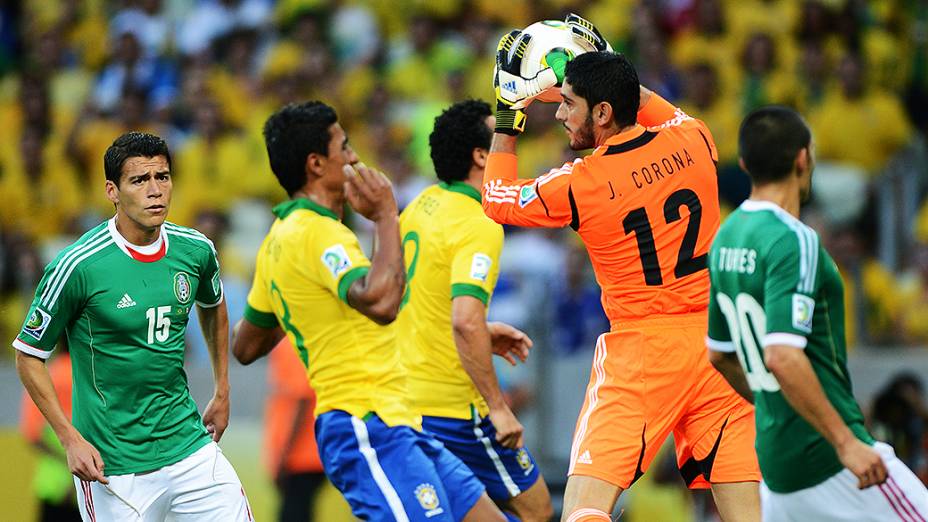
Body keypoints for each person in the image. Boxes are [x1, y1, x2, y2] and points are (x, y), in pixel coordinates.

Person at [483, 17, 760, 522]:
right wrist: (602, 59)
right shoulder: (693, 138)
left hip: (643, 351)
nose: (560, 113)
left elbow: (497, 200)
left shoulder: (580, 183)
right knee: (749, 513)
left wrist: (508, 112)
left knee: (585, 510)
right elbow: (646, 104)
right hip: (720, 344)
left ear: (604, 112)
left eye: (568, 103)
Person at [231, 101, 507, 521]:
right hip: (365, 421)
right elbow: (381, 303)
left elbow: (246, 345)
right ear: (317, 164)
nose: (355, 157)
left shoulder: (277, 242)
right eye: (345, 146)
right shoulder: (321, 235)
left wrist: (306, 308)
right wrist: (384, 217)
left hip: (401, 421)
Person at [13, 131, 251, 521]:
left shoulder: (196, 250)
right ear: (113, 190)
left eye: (163, 177)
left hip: (190, 448)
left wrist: (222, 389)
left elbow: (213, 305)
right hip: (116, 468)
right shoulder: (78, 266)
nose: (155, 190)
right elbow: (27, 355)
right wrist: (69, 438)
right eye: (140, 180)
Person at [706, 105, 928, 521]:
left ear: (744, 164)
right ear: (803, 158)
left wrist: (777, 403)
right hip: (830, 458)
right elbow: (782, 355)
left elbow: (719, 355)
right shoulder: (795, 239)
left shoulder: (725, 239)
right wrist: (845, 442)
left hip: (777, 466)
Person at [397, 99, 553, 521]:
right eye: (500, 140)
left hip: (407, 400)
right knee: (537, 509)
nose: (510, 150)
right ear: (482, 156)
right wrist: (499, 407)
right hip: (455, 407)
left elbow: (415, 299)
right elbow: (462, 319)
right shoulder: (479, 221)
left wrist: (483, 327)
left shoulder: (419, 205)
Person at [263, 337, 327, 521]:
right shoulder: (294, 340)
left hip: (302, 457)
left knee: (292, 514)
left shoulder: (293, 342)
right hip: (306, 454)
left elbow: (302, 397)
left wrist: (284, 454)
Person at [20, 344, 81, 522]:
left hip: (52, 484)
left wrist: (65, 462)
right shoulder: (93, 376)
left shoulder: (44, 375)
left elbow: (32, 434)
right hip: (90, 483)